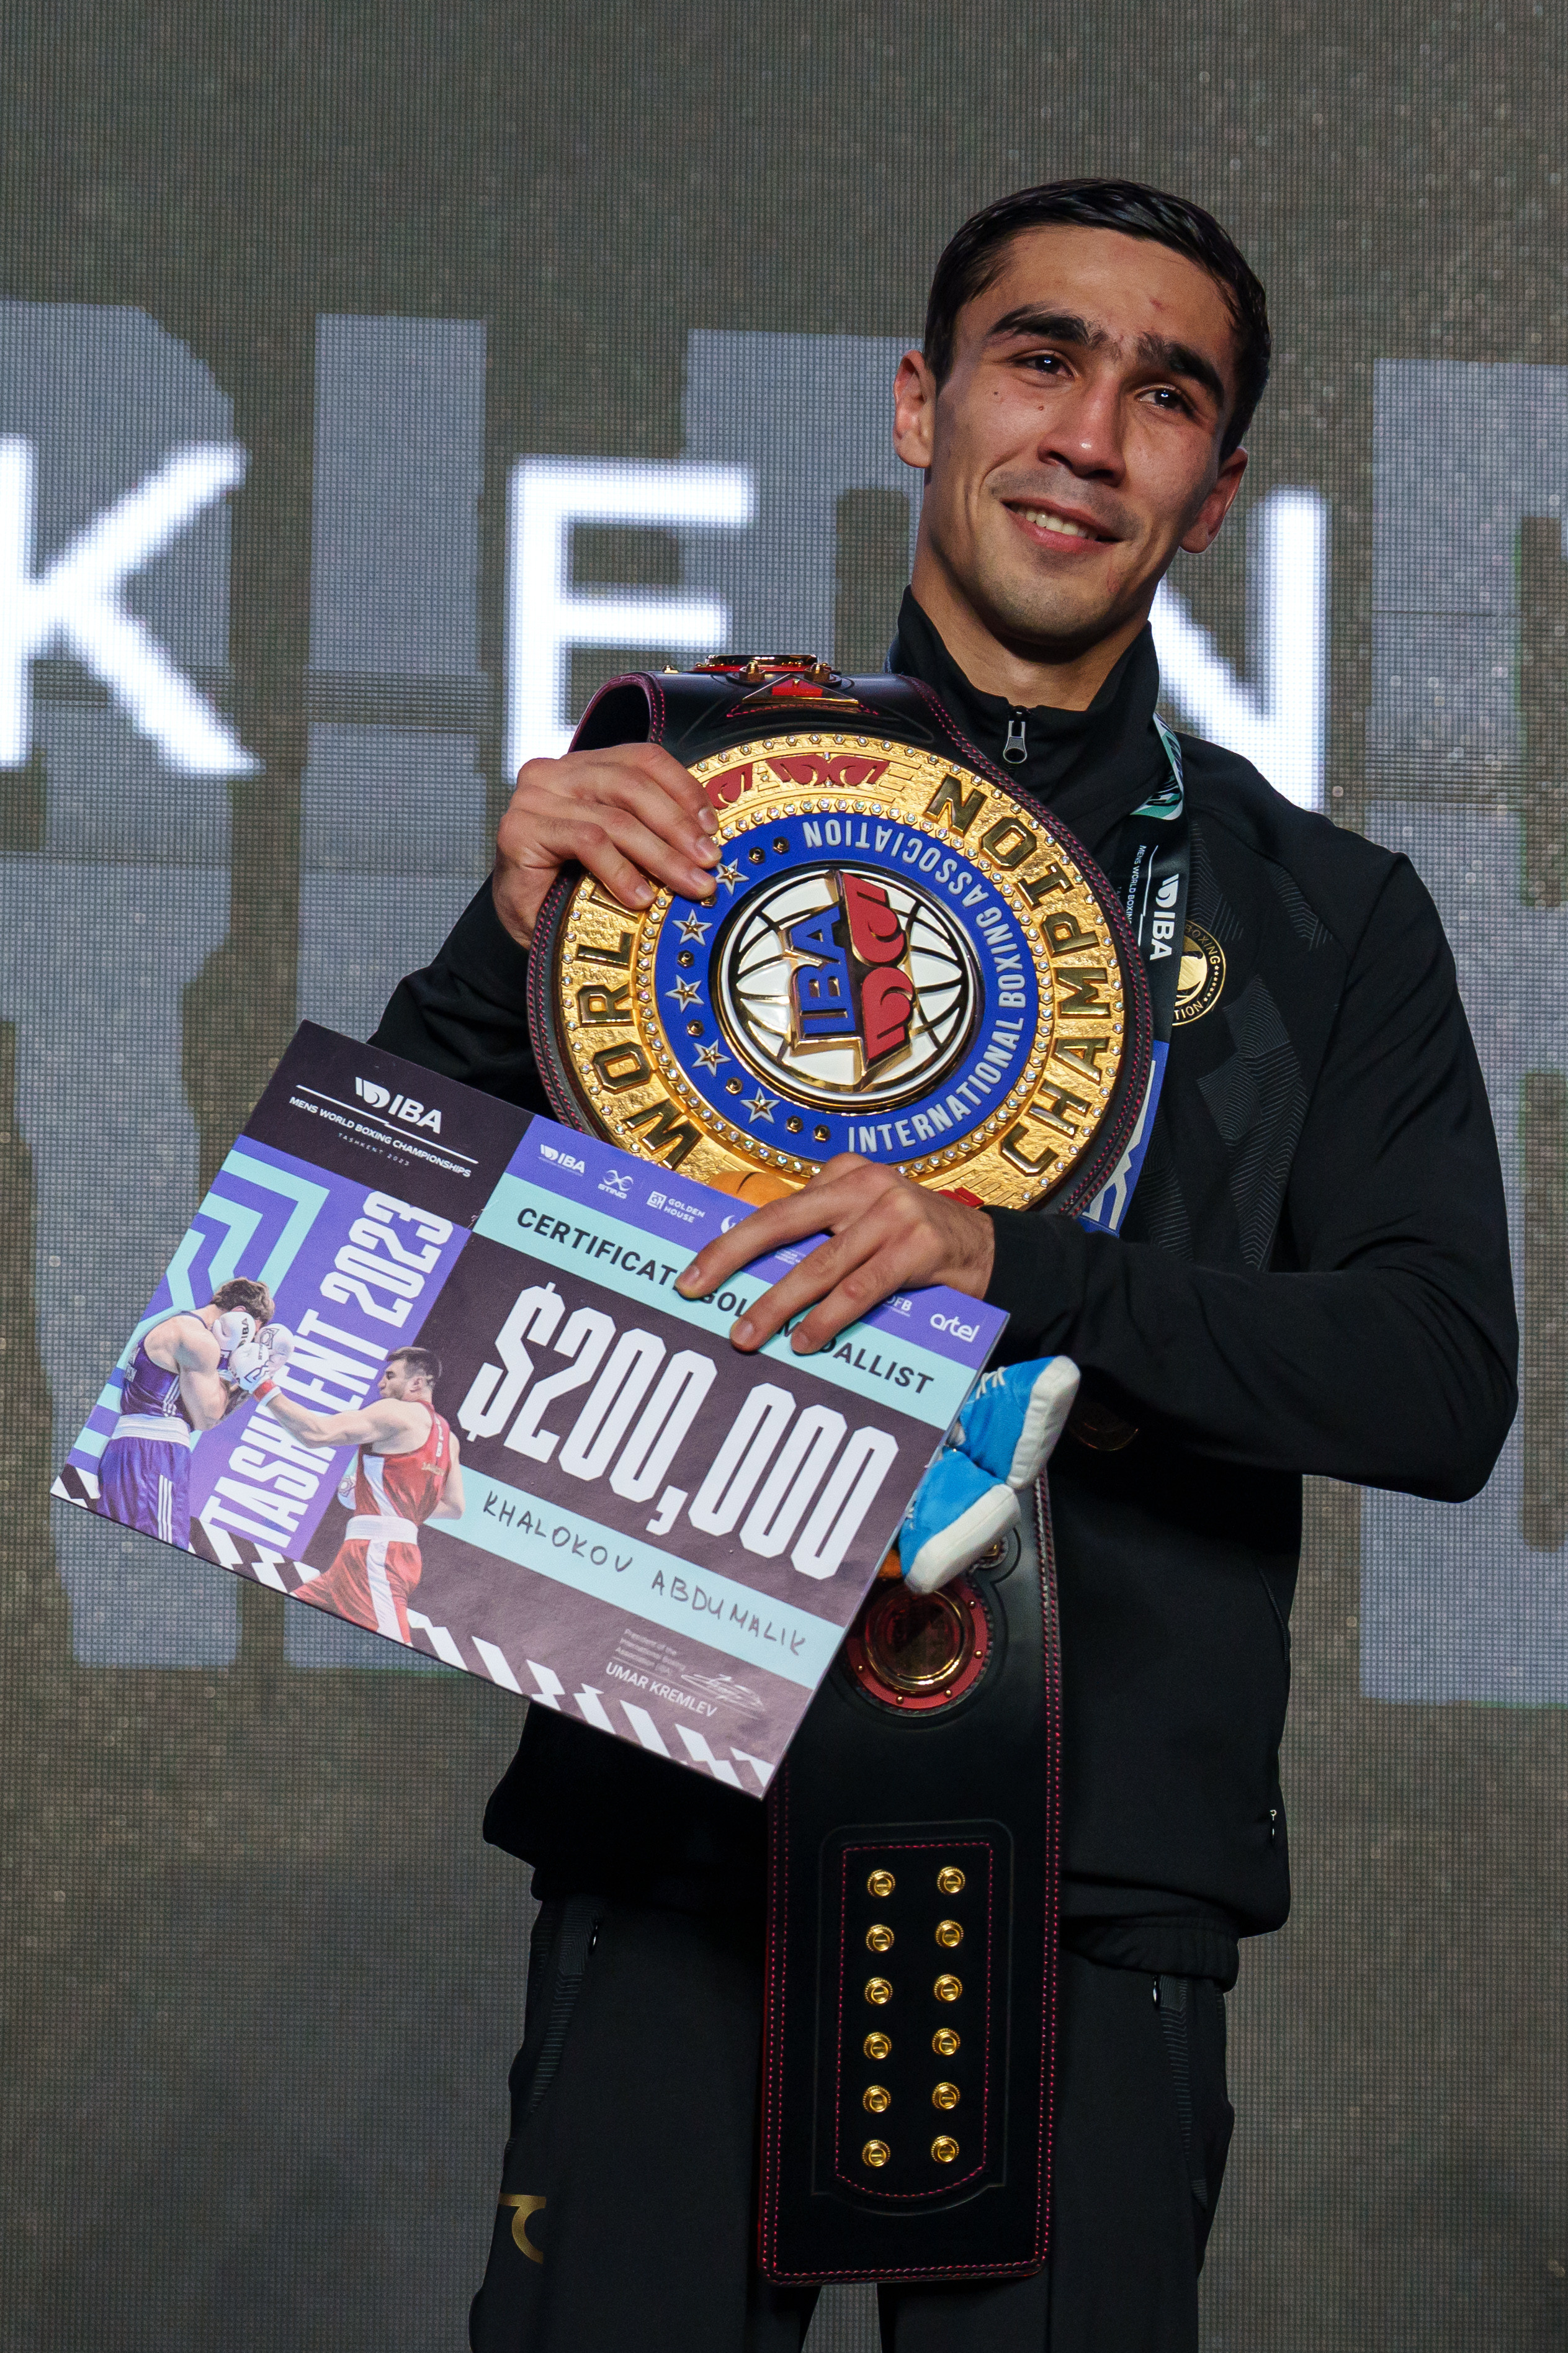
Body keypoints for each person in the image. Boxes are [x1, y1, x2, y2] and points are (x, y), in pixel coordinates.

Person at [374, 180, 1517, 2352]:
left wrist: (1019, 1265)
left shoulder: (1322, 914)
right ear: (921, 404)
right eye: (1037, 357)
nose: (1086, 431)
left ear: (1212, 493)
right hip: (684, 1804)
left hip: (1096, 1867)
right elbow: (352, 1292)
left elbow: (1436, 1377)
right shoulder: (666, 817)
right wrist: (494, 956)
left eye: (1160, 395)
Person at [245, 1344, 464, 1643]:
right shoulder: (448, 1437)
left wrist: (260, 1385)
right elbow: (454, 1507)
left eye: (390, 1376)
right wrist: (378, 1498)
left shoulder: (396, 1412)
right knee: (268, 1632)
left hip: (376, 1557)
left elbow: (317, 1434)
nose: (381, 1384)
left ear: (416, 1383)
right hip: (380, 1554)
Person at [96, 1276, 275, 1549]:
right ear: (240, 1316)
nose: (245, 1345)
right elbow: (207, 1418)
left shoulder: (180, 1324)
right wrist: (250, 1382)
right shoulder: (198, 1340)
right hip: (155, 1454)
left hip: (126, 1449)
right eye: (252, 1333)